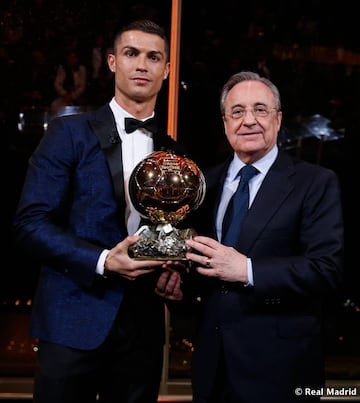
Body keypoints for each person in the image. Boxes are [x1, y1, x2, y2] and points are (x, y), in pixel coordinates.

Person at [13, 19, 186, 403]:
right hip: (71, 321)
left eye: (153, 57)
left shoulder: (175, 154)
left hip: (142, 330)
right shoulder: (67, 133)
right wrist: (104, 260)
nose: (142, 65)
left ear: (167, 70)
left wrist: (174, 269)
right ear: (112, 62)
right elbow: (29, 224)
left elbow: (168, 234)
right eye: (131, 54)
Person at [184, 71, 344, 403]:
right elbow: (201, 265)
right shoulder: (202, 184)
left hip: (282, 368)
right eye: (238, 111)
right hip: (212, 364)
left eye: (260, 109)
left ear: (278, 118)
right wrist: (175, 278)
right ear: (225, 123)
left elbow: (326, 268)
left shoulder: (314, 182)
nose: (249, 121)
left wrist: (247, 270)